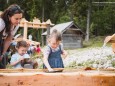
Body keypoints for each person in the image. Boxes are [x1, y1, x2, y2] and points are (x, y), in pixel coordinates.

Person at [0, 4, 23, 68]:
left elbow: (8, 39)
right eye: (16, 18)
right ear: (9, 17)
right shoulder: (1, 22)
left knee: (2, 63)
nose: (18, 21)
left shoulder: (16, 25)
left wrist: (2, 54)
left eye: (20, 18)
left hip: (1, 42)